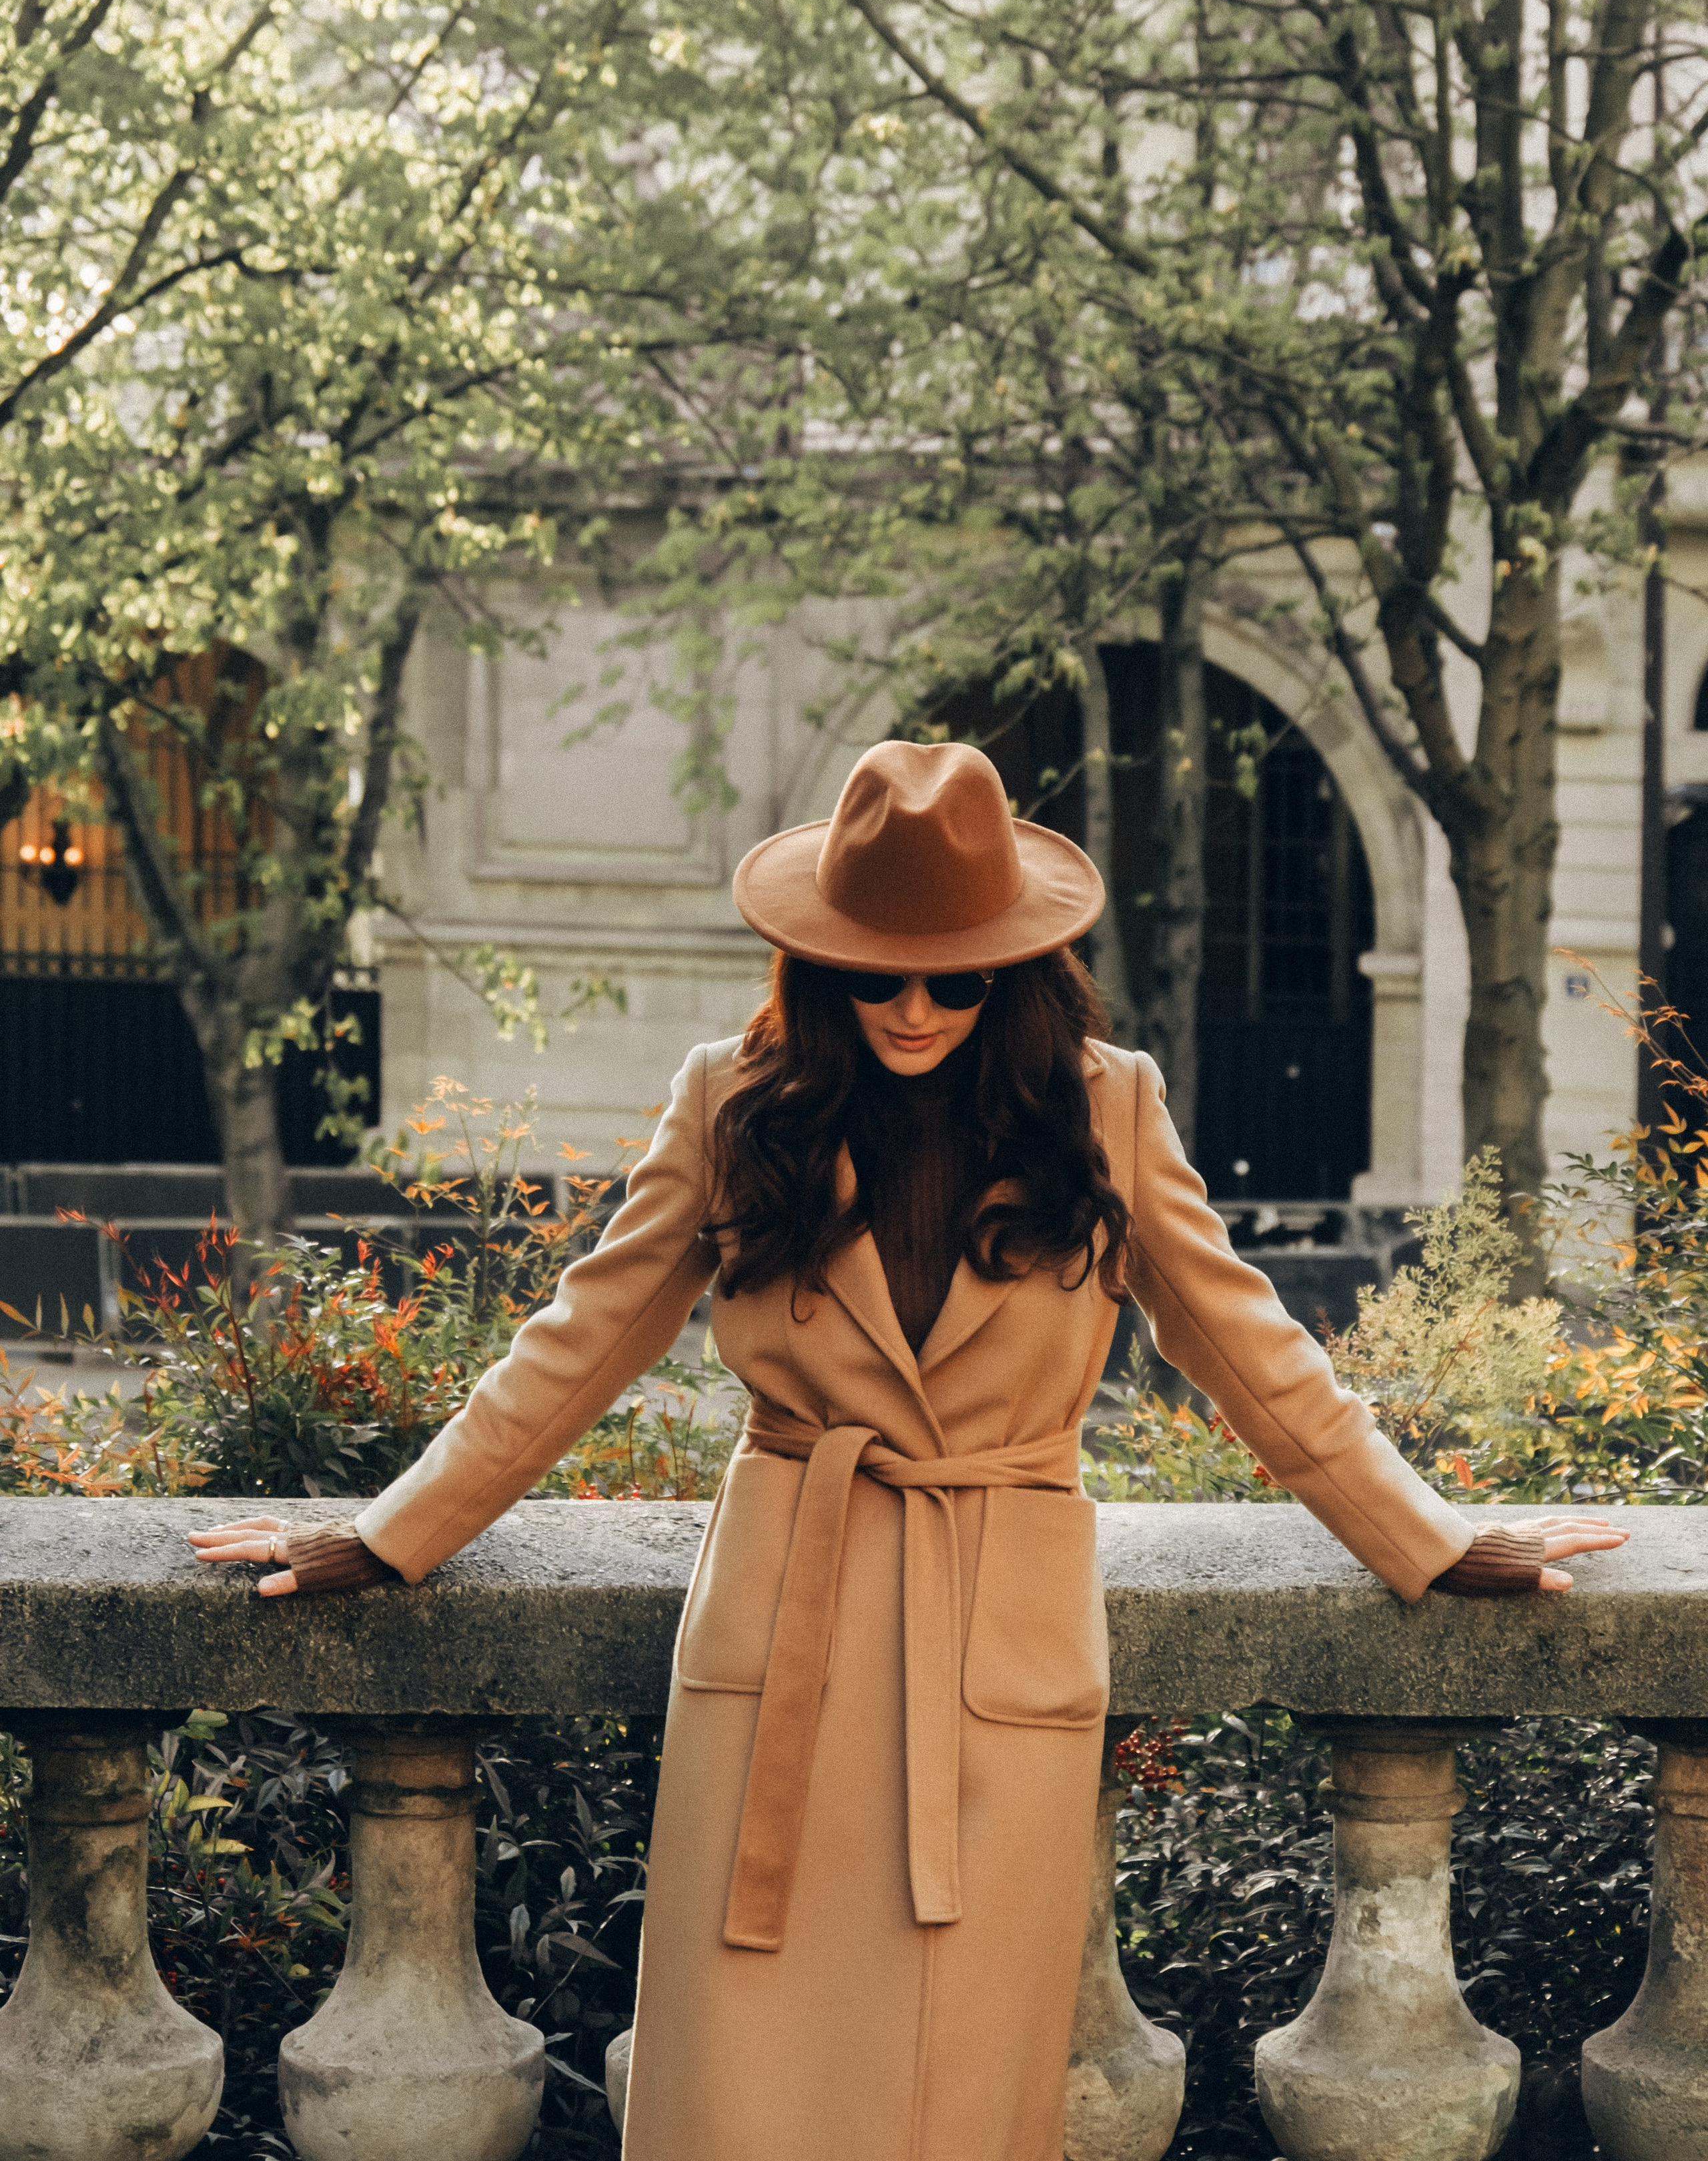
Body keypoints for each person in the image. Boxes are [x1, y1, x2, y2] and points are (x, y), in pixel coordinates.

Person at [190, 741, 1626, 2161]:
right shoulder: (730, 1099)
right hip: (782, 1636)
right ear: (819, 962)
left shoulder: (1103, 1104)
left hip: (995, 1636)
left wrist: (1428, 1535)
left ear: (1016, 966)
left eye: (956, 976)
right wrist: (391, 1531)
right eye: (876, 973)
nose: (915, 1007)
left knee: (960, 2091)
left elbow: (1250, 1350)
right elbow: (581, 1339)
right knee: (742, 2075)